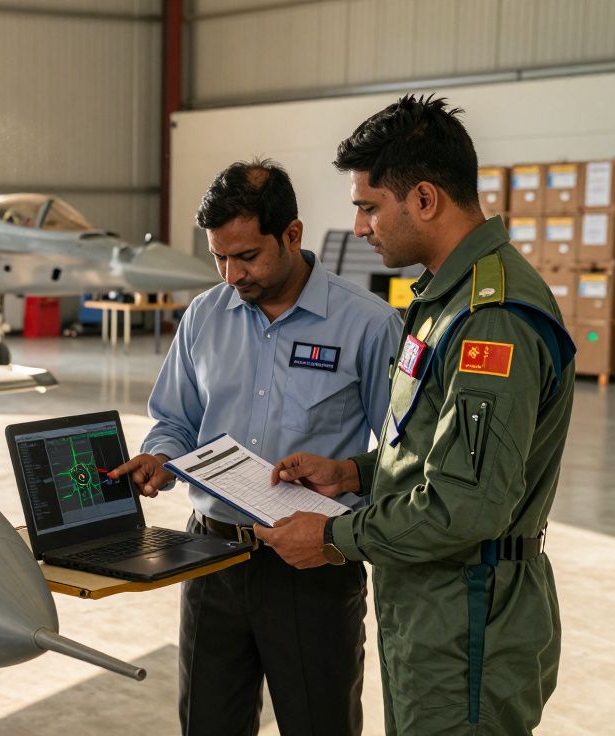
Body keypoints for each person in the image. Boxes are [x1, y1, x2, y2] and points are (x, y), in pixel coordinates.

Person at [256, 95, 575, 735]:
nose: (361, 228)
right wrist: (352, 473)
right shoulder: (444, 299)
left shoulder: (492, 319)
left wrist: (328, 538)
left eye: (370, 207)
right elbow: (439, 445)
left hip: (469, 619)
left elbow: (467, 504)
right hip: (431, 608)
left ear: (424, 199)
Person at [110, 159, 403, 735]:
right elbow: (174, 418)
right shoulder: (204, 316)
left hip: (314, 565)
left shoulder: (366, 325)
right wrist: (161, 459)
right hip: (212, 559)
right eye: (218, 256)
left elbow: (403, 455)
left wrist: (346, 474)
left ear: (292, 234)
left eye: (246, 256)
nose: (230, 275)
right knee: (208, 723)